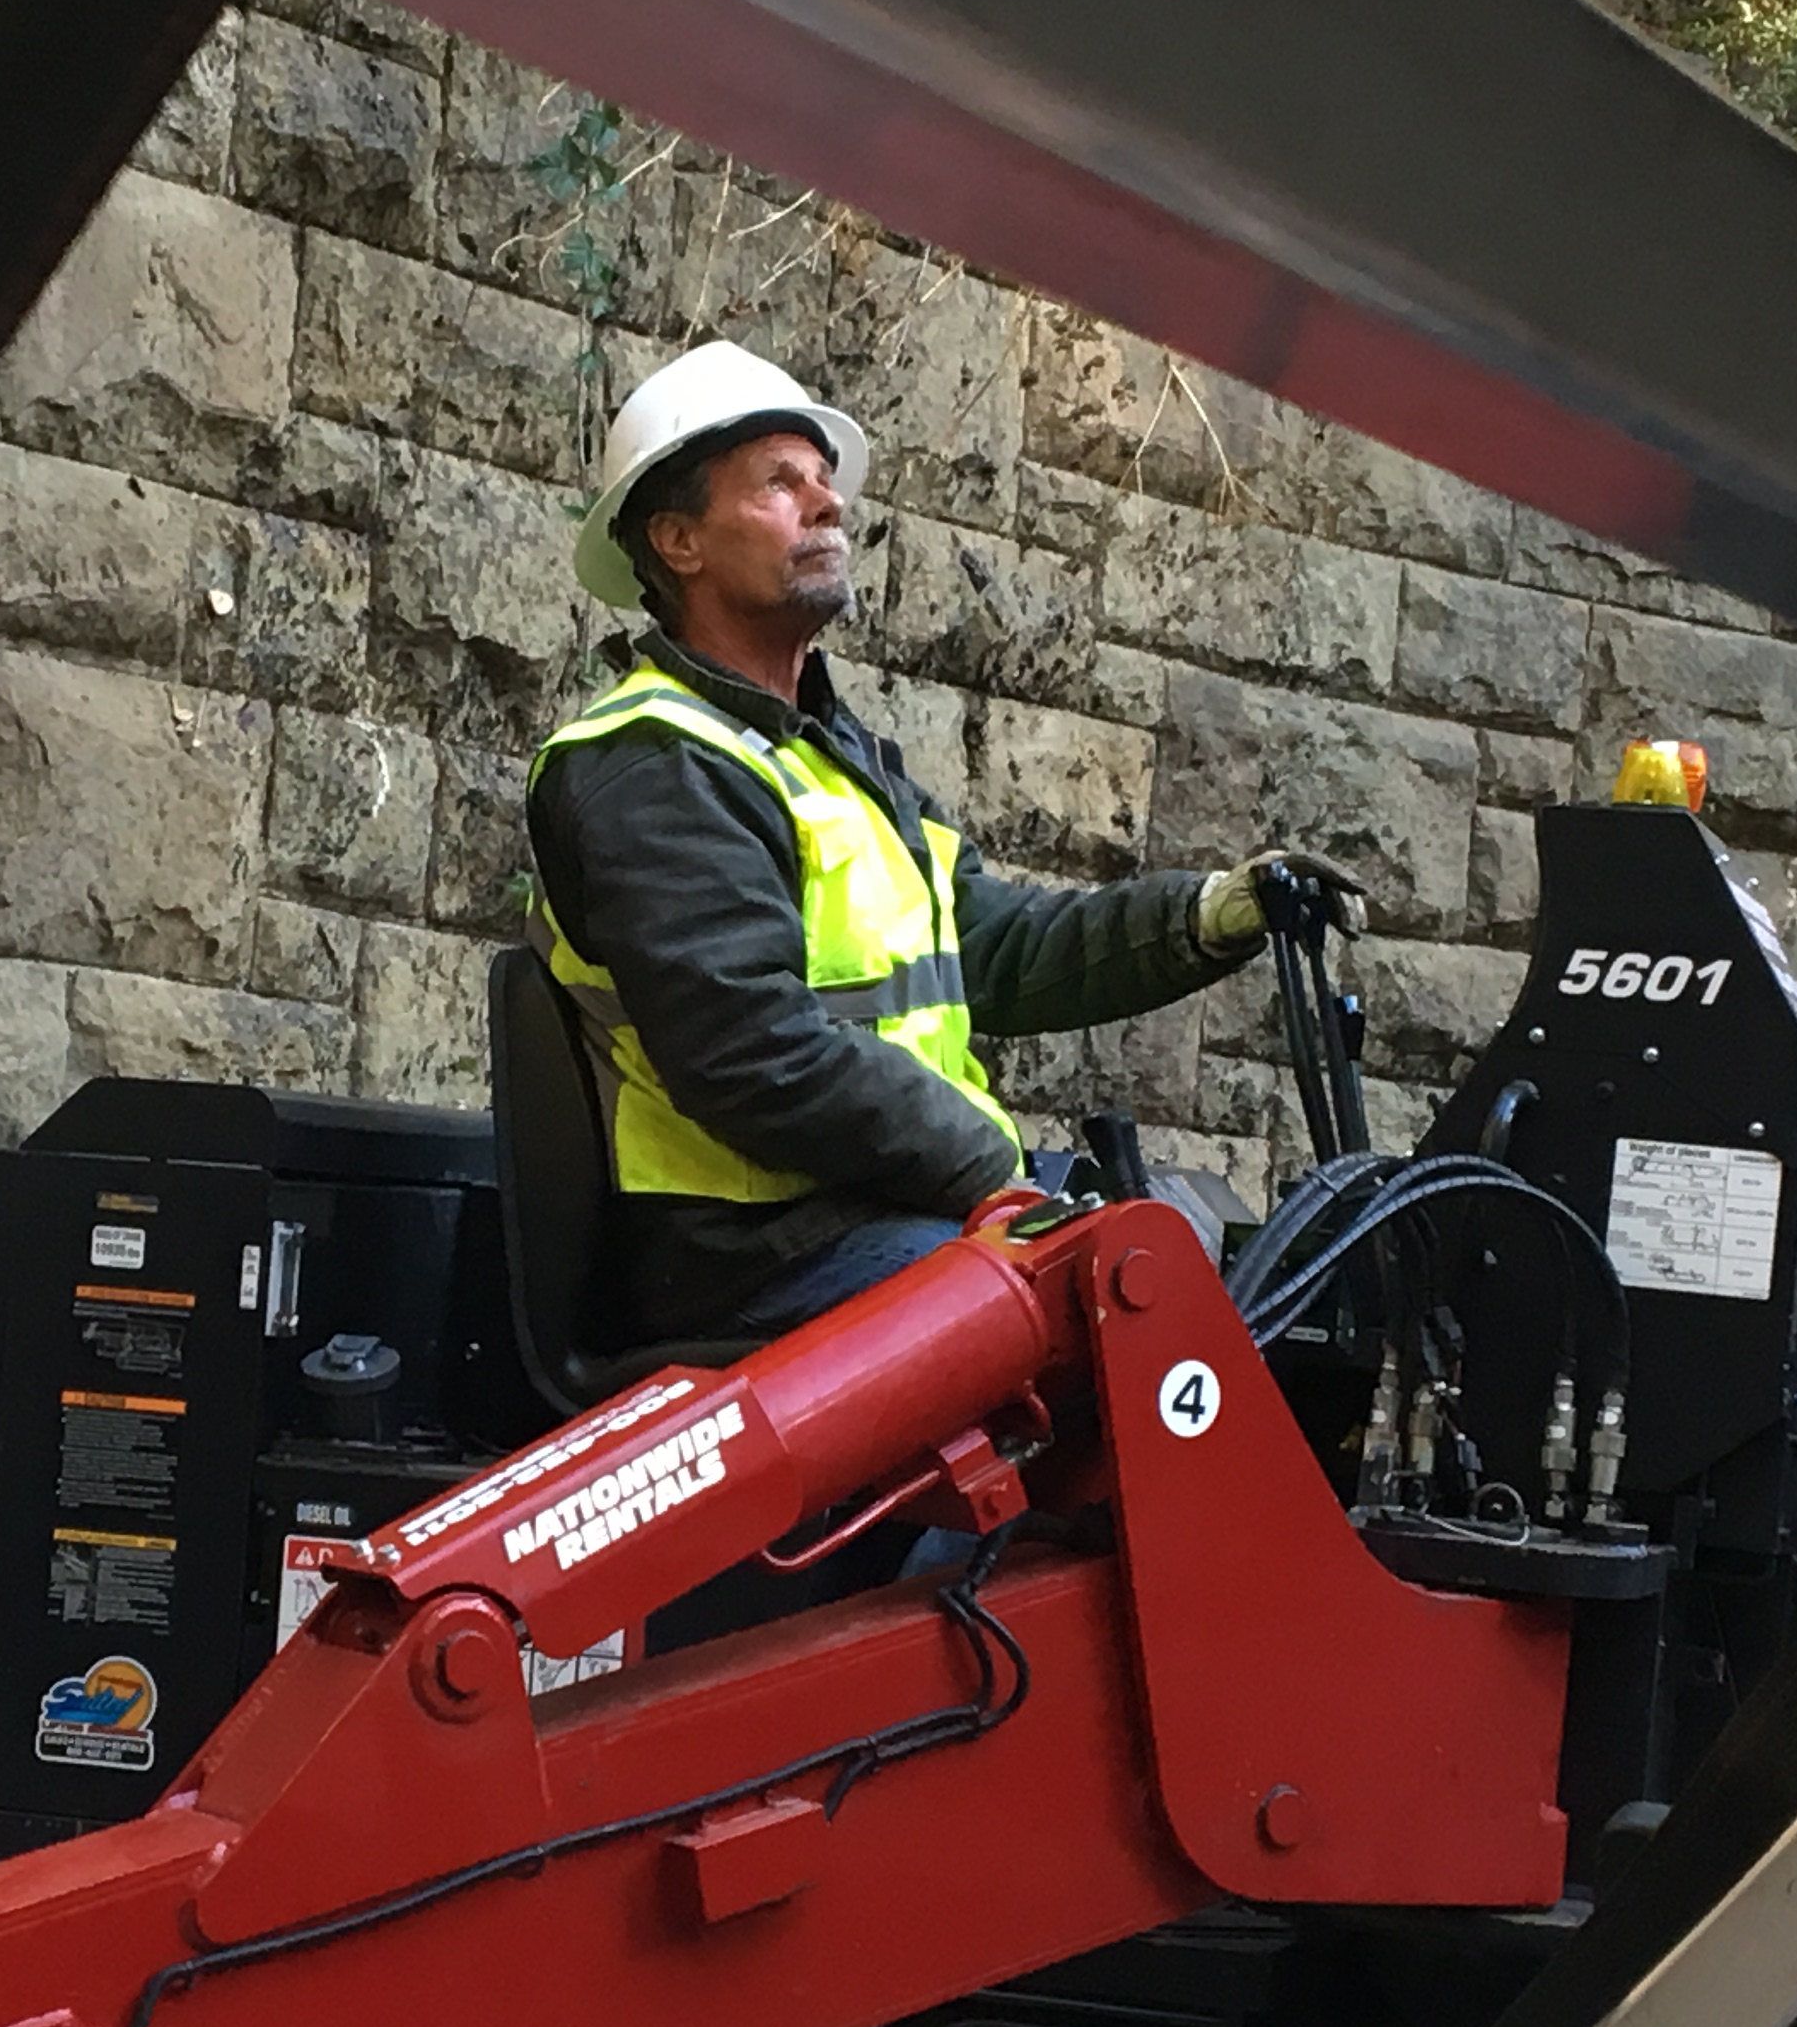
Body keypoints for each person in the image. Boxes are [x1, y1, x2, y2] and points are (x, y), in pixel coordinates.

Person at [527, 339, 1364, 1347]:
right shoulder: (650, 764)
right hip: (746, 1261)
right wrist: (986, 1171)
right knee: (1095, 1340)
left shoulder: (832, 760)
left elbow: (995, 948)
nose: (827, 504)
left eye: (825, 481)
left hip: (872, 1224)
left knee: (1157, 1318)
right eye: (780, 485)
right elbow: (754, 1055)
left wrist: (1208, 915)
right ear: (678, 541)